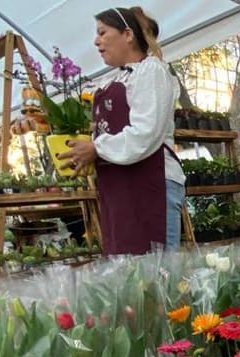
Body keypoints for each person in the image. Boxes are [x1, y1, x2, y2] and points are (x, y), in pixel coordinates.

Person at [57, 6, 186, 255]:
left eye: (103, 32)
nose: (96, 41)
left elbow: (146, 132)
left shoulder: (151, 71)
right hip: (121, 188)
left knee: (157, 274)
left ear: (127, 34)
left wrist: (97, 148)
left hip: (150, 184)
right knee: (128, 277)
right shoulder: (113, 81)